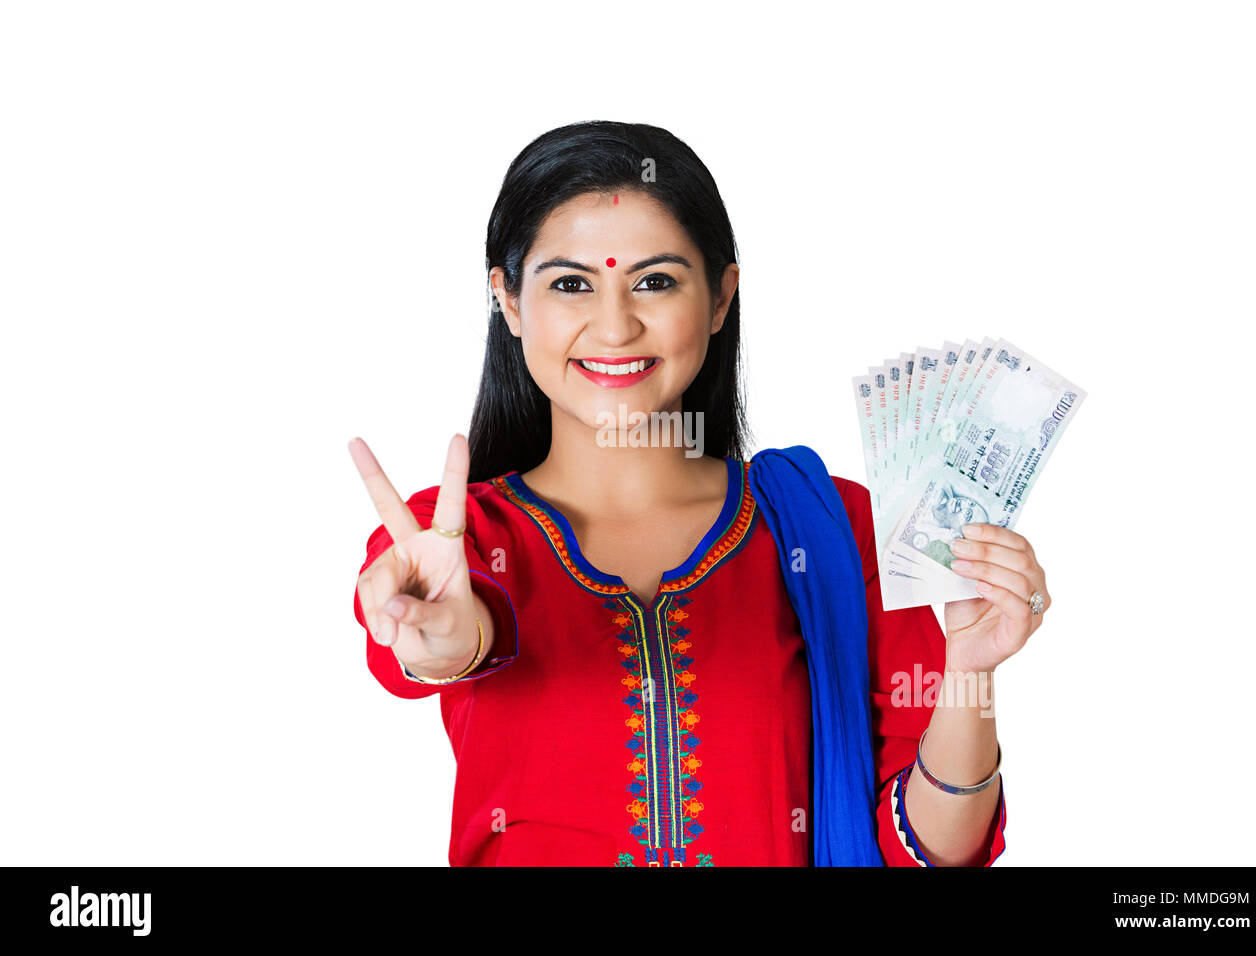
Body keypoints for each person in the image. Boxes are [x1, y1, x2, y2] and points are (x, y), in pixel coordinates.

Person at [349, 121, 1052, 866]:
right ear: (510, 301)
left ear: (720, 297)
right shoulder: (452, 541)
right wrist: (447, 641)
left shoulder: (834, 533)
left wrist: (970, 675)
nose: (615, 325)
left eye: (654, 281)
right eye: (570, 283)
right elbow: (447, 636)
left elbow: (936, 851)